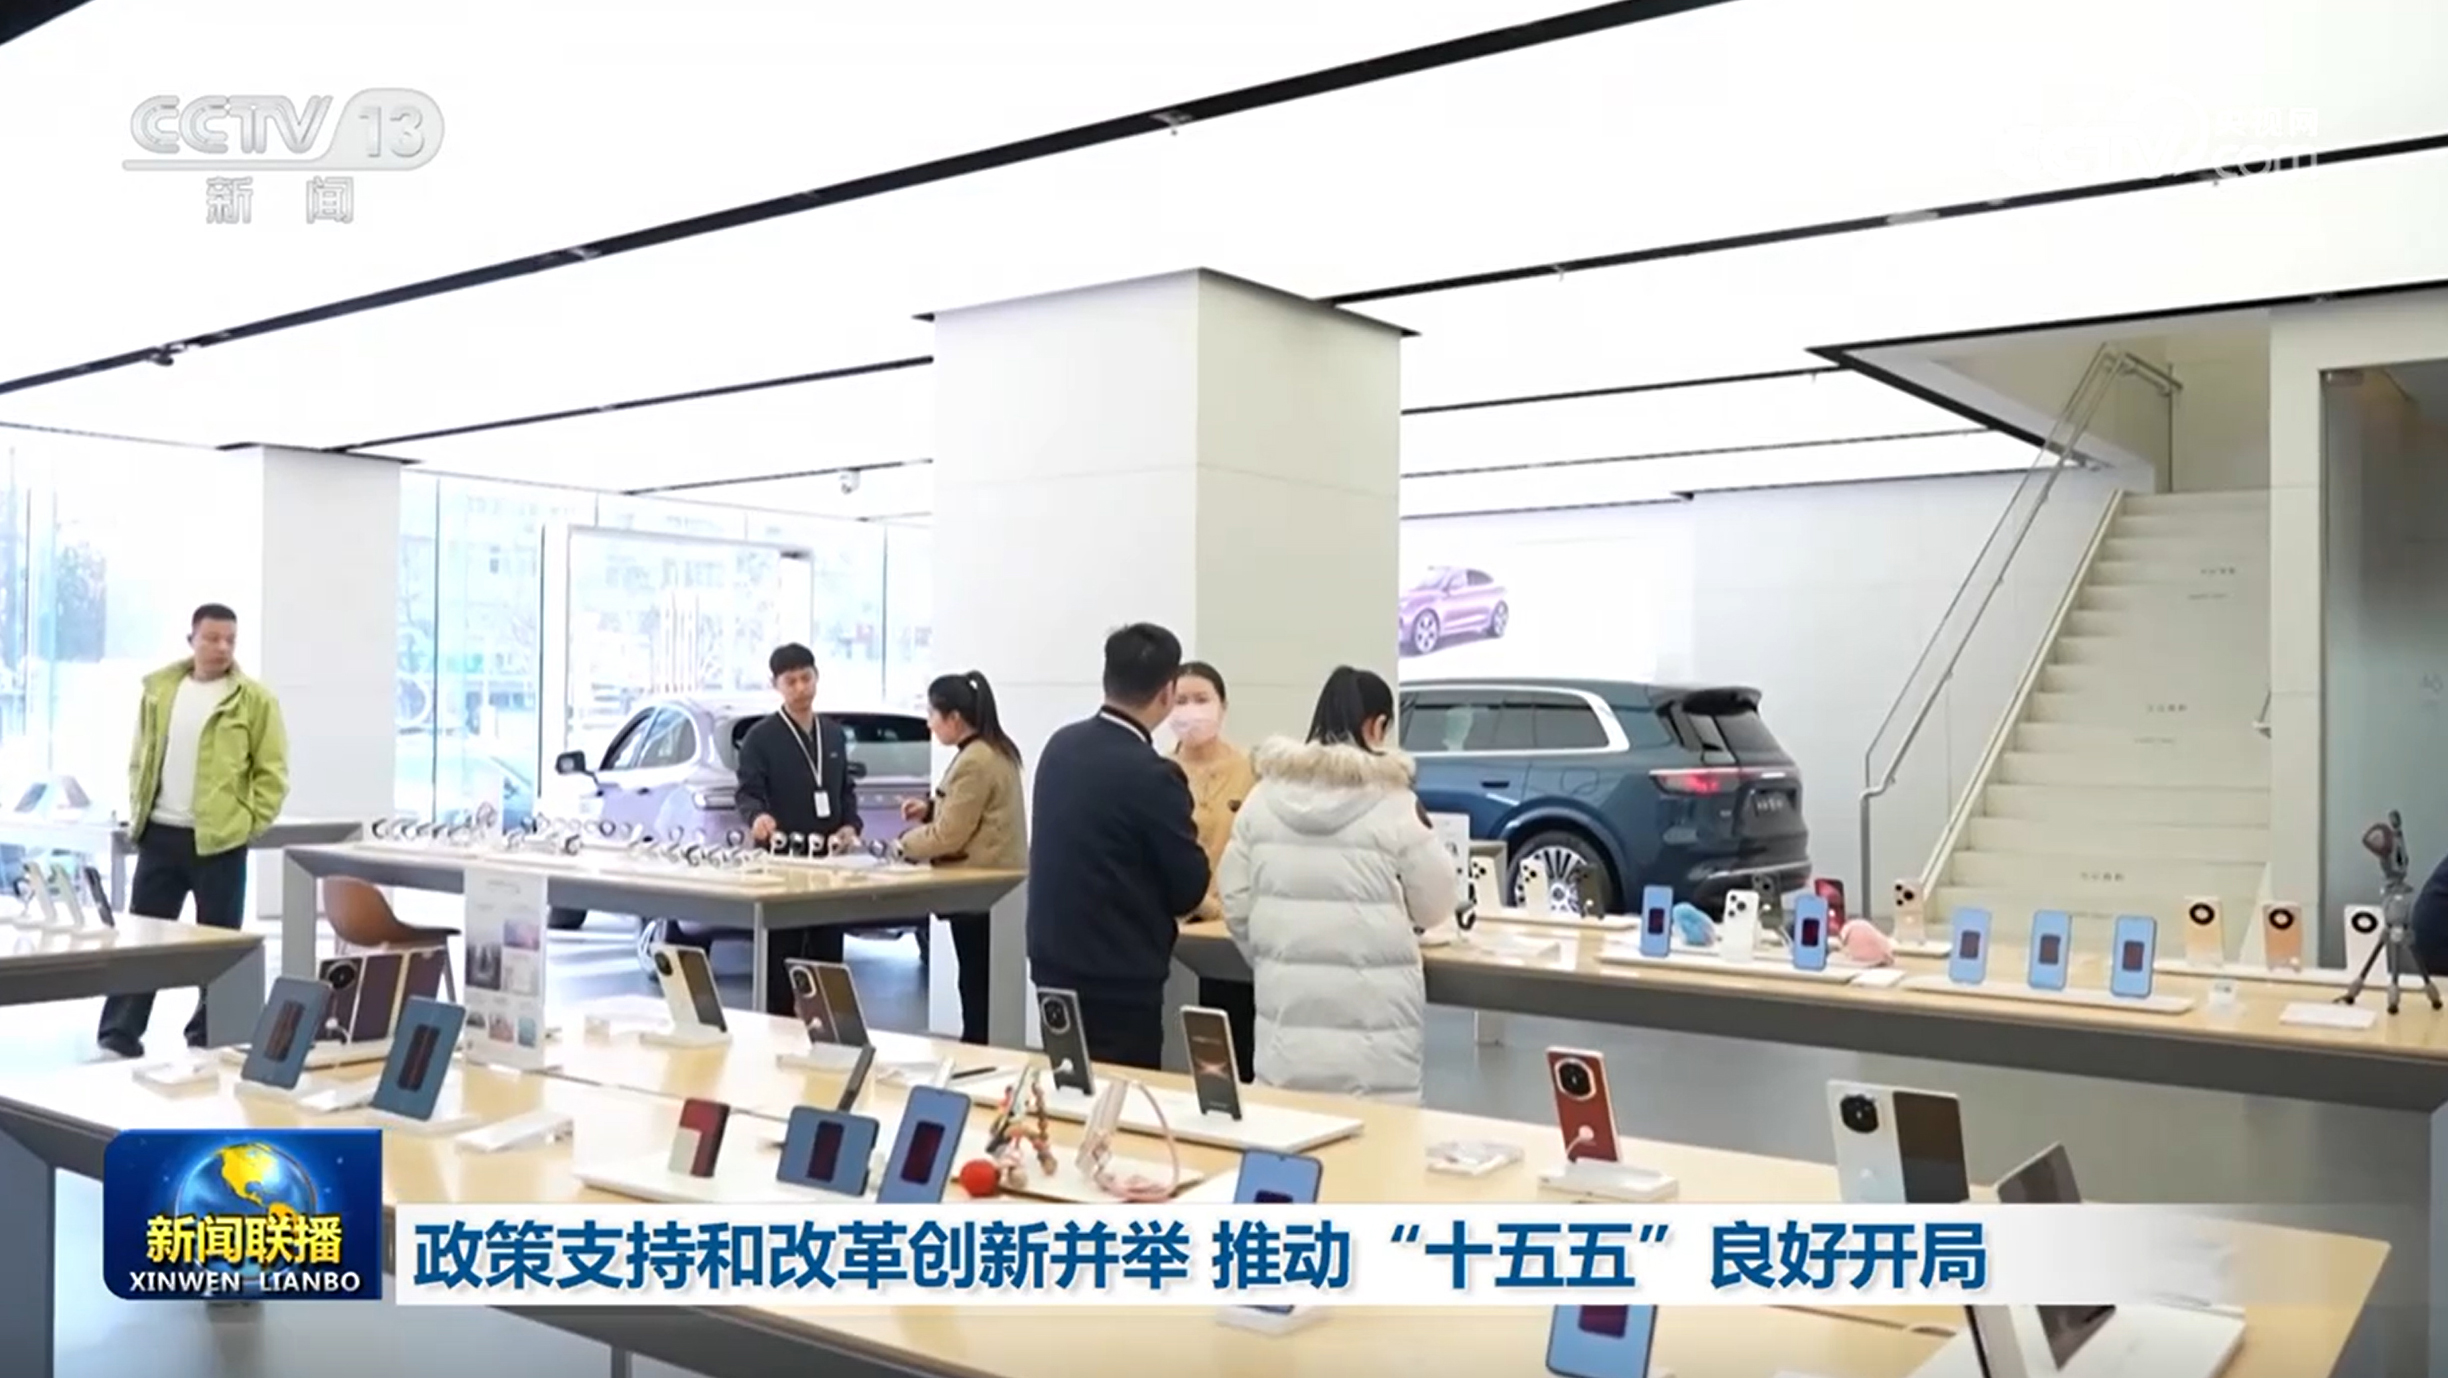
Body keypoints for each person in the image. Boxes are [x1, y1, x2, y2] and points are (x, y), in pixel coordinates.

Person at [1220, 665, 1457, 1104]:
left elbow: (1233, 899)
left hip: (1286, 1011)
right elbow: (1436, 903)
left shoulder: (1261, 799)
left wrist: (1274, 953)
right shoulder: (1395, 803)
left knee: (1289, 1124)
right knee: (1381, 1134)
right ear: (1377, 726)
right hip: (1376, 1025)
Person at [97, 604, 290, 1059]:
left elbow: (273, 774)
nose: (222, 647)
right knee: (143, 940)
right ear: (192, 640)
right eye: (212, 638)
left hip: (220, 842)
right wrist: (140, 809)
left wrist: (246, 823)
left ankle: (210, 1030)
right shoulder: (161, 692)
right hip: (161, 835)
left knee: (219, 942)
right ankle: (120, 1030)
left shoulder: (255, 700)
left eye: (230, 640)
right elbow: (141, 758)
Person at [1027, 623, 1210, 1069]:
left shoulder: (1060, 747)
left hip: (1052, 963)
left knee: (1069, 1087)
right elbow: (1188, 888)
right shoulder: (1154, 774)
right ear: (1167, 692)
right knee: (1121, 1095)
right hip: (1119, 976)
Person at [896, 670, 1027, 1044]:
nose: (929, 723)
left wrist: (902, 845)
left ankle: (978, 1055)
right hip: (994, 889)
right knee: (981, 982)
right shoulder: (993, 750)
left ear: (954, 717)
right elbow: (973, 813)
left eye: (932, 714)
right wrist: (929, 809)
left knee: (976, 984)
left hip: (979, 890)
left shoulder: (974, 761)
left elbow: (950, 835)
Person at [734, 643, 862, 1016]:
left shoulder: (833, 734)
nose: (801, 688)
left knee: (827, 961)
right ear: (775, 685)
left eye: (807, 678)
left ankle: (829, 1033)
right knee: (782, 961)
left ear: (817, 677)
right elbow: (747, 792)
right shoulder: (761, 737)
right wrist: (757, 817)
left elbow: (844, 790)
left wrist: (850, 825)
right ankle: (777, 1031)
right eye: (791, 681)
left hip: (829, 864)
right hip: (783, 863)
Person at [1169, 661, 1258, 1081]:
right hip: (1178, 934)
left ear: (1222, 706)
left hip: (1234, 933)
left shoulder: (1251, 770)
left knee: (1237, 1051)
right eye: (1181, 700)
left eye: (1201, 699)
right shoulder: (1159, 771)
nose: (1191, 709)